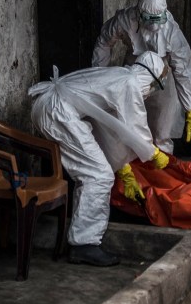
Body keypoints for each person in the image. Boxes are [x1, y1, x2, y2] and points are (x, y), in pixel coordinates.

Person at [29, 52, 172, 266]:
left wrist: (124, 170)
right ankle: (84, 244)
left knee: (94, 172)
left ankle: (82, 239)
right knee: (98, 175)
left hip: (51, 107)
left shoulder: (120, 77)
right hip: (58, 112)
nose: (152, 92)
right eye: (156, 86)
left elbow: (110, 129)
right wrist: (154, 153)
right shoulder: (130, 83)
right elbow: (136, 128)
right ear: (151, 78)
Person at [91, 0, 191, 152]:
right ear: (139, 12)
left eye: (158, 20)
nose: (154, 26)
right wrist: (99, 74)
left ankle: (162, 164)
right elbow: (104, 41)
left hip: (163, 77)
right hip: (133, 72)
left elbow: (183, 72)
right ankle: (132, 164)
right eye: (149, 19)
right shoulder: (125, 20)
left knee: (162, 132)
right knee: (128, 125)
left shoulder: (173, 34)